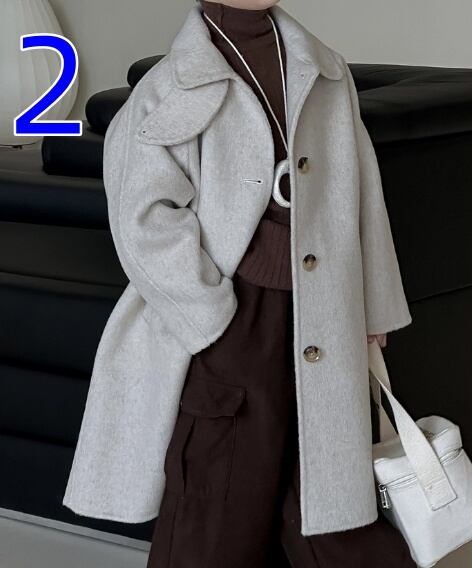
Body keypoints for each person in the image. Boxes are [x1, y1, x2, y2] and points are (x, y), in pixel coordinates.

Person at [62, 0, 415, 566]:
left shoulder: (324, 69)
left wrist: (373, 309)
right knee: (219, 501)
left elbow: (361, 193)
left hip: (324, 311)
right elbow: (142, 217)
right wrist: (209, 317)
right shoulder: (168, 86)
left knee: (330, 499)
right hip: (234, 319)